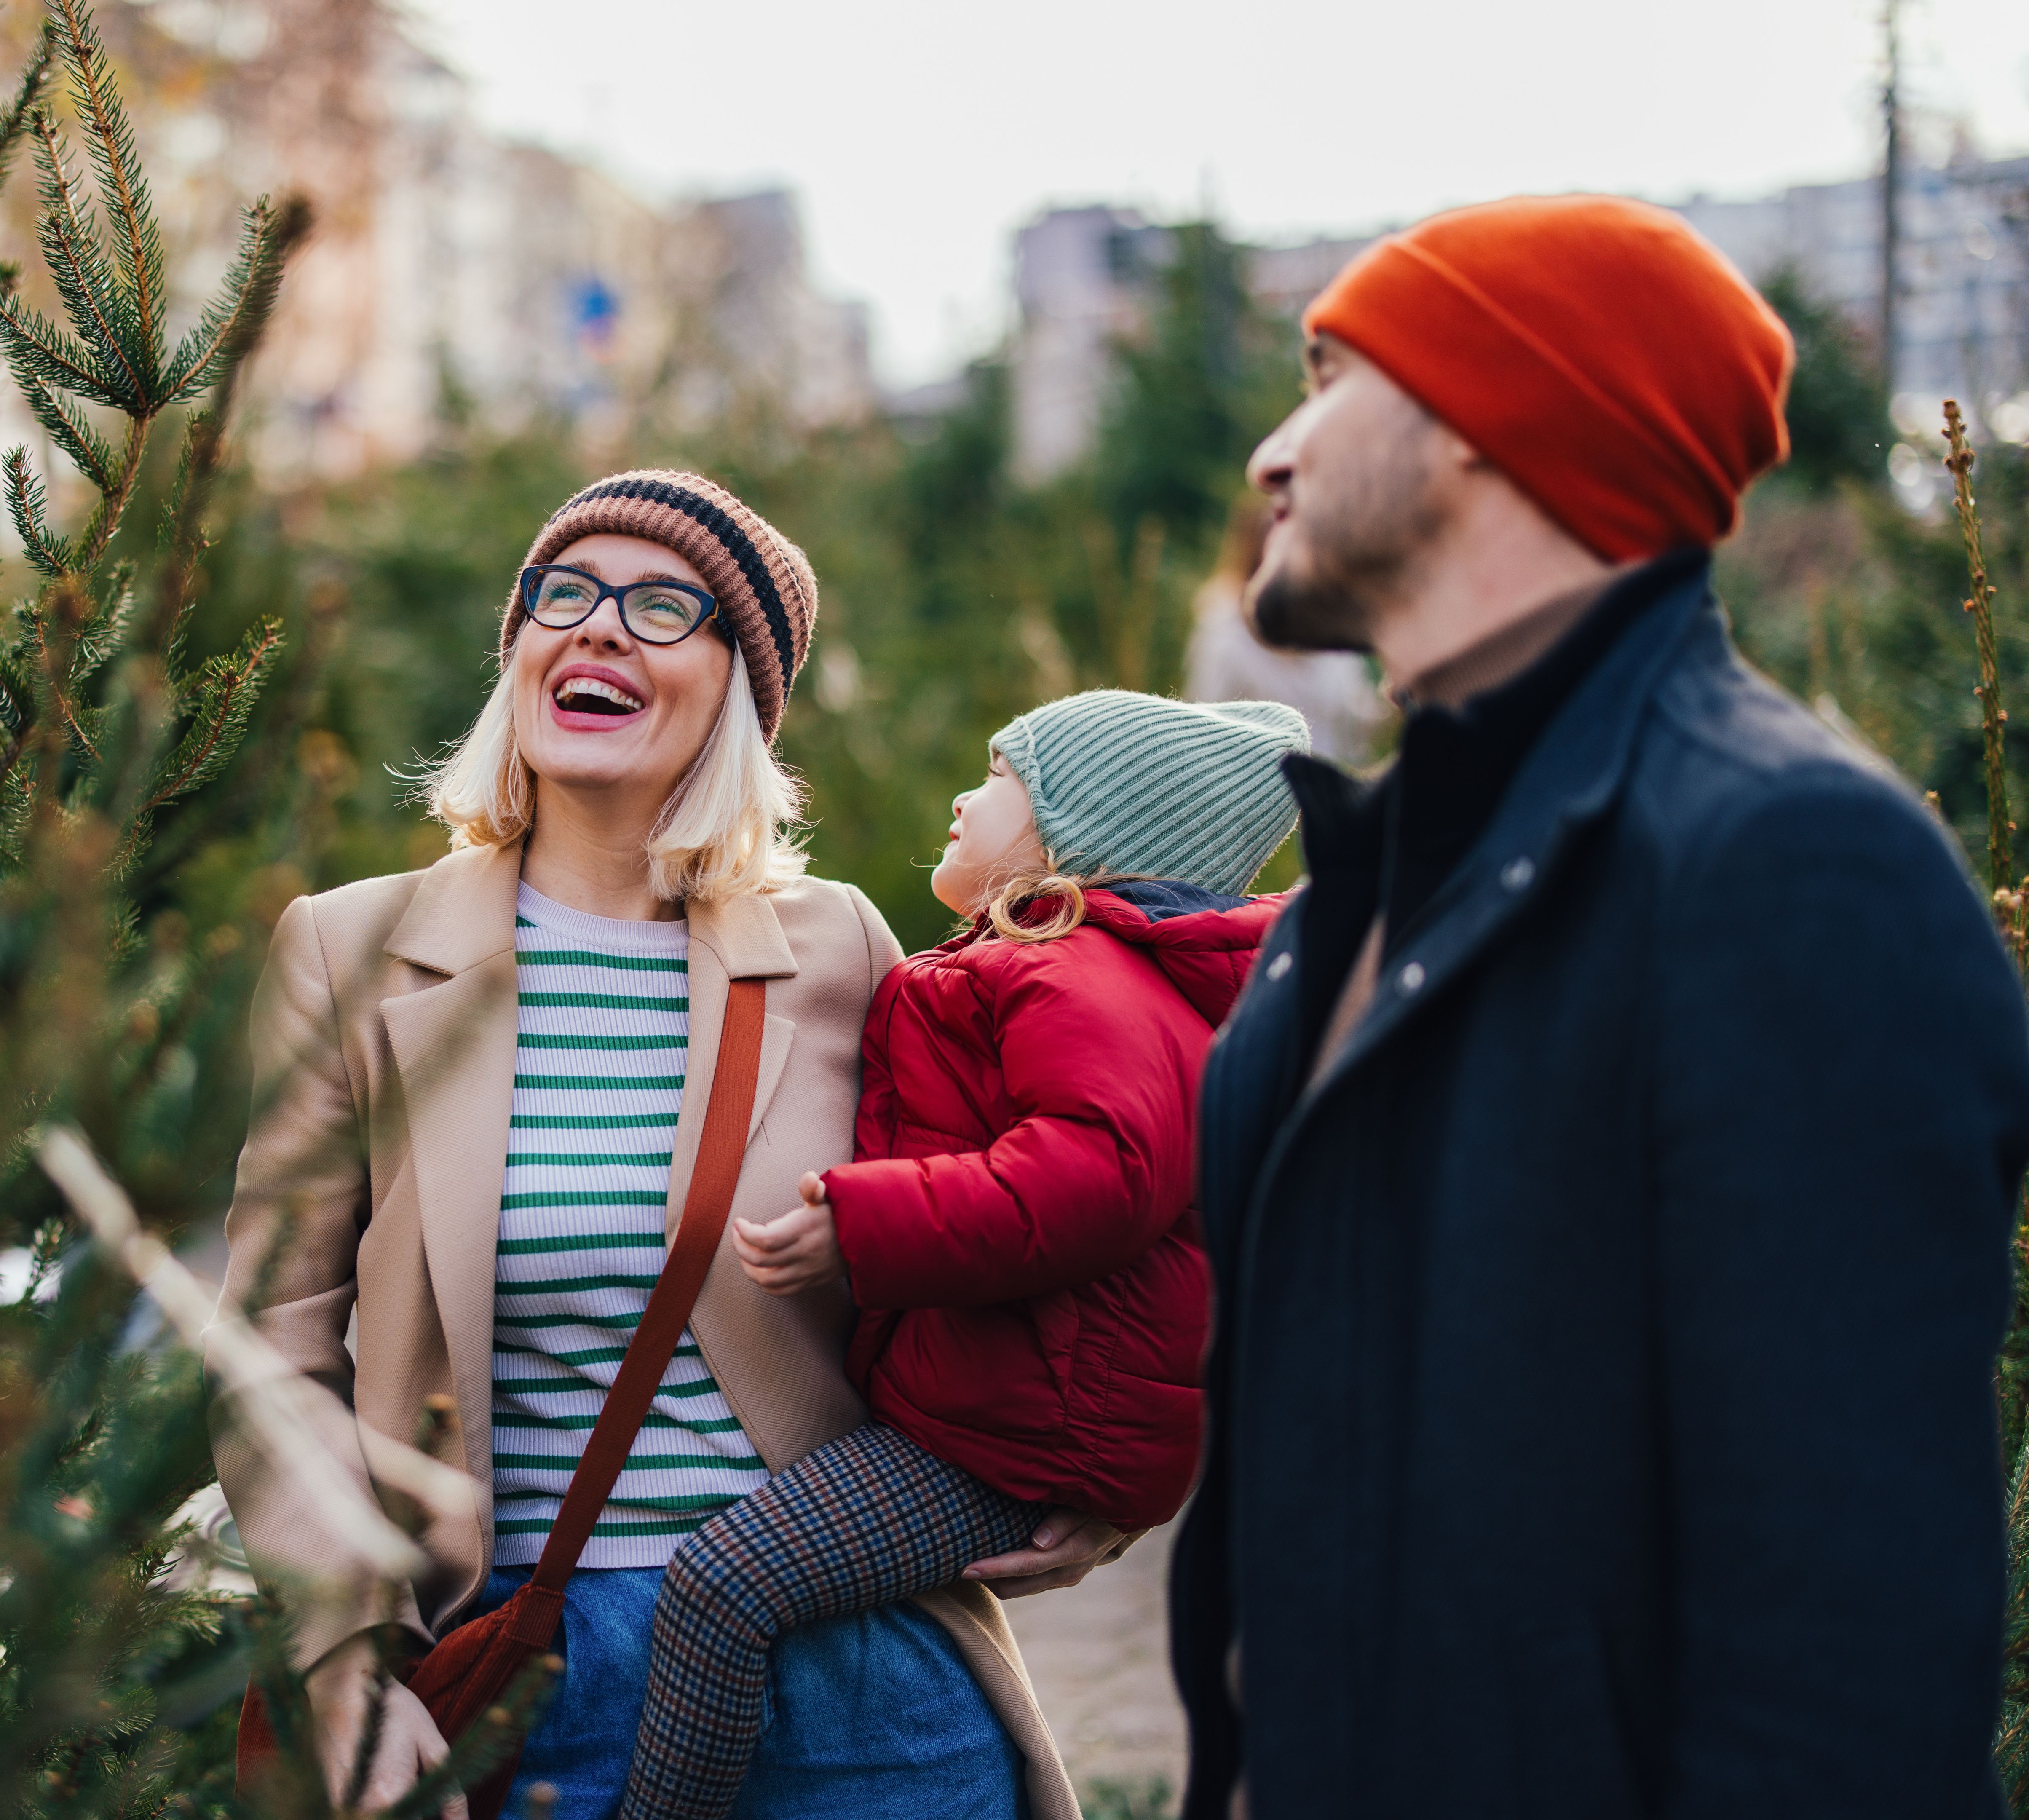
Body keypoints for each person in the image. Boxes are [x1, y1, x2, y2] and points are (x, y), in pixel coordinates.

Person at [1168, 194, 2029, 1820]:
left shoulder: (1784, 861)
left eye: (1328, 380)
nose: (1270, 454)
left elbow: (1841, 1668)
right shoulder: (1348, 895)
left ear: (1487, 414)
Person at [211, 470, 1121, 1820]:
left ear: (737, 690)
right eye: (563, 595)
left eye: (659, 607)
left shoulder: (837, 946)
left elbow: (1052, 1211)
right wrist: (342, 1654)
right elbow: (268, 1346)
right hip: (529, 1669)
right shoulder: (351, 951)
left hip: (858, 1660)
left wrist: (1105, 1479)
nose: (596, 626)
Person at [615, 687, 1307, 1820]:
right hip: (1009, 1400)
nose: (962, 797)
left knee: (724, 1587)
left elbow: (1099, 1173)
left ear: (1078, 834)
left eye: (997, 779)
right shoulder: (1050, 965)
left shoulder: (1074, 974)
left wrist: (864, 1224)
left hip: (1020, 1428)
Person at [1182, 497, 1388, 761]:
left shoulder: (1334, 635)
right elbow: (1203, 729)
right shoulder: (1225, 635)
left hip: (1327, 779)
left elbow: (1359, 722)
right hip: (1255, 782)